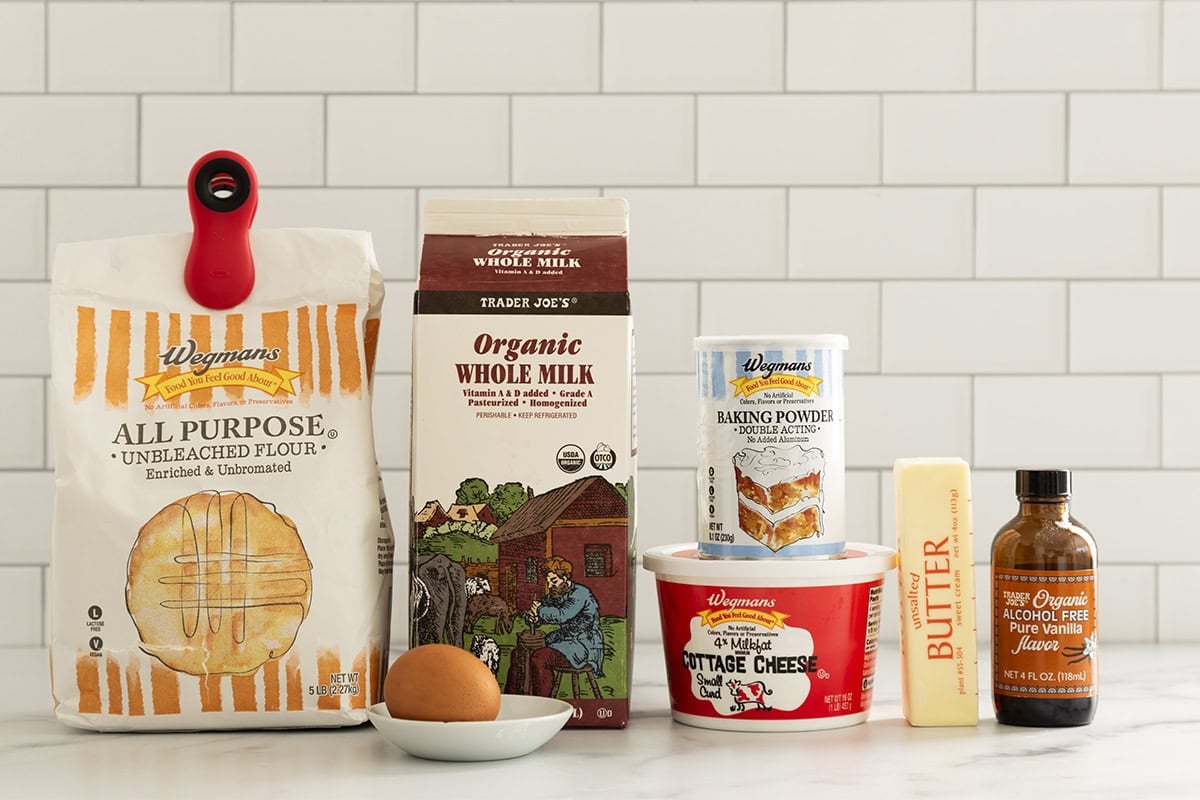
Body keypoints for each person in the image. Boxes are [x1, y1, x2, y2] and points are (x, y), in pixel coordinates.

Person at [518, 556, 604, 697]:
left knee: (539, 658)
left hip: (584, 645)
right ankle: (520, 696)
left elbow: (561, 615)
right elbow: (541, 612)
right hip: (565, 641)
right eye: (548, 581)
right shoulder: (556, 594)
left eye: (553, 581)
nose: (550, 585)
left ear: (564, 578)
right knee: (519, 654)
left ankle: (543, 701)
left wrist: (539, 610)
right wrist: (532, 616)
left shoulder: (580, 594)